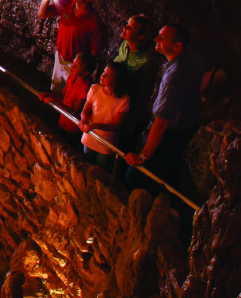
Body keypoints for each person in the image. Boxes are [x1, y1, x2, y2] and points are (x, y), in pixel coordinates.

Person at [125, 24, 212, 192]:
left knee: (135, 176)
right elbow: (209, 69)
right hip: (187, 124)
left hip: (170, 132)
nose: (156, 39)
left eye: (162, 38)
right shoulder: (192, 55)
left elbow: (161, 124)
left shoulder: (174, 77)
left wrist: (142, 157)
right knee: (168, 167)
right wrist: (195, 92)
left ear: (177, 46)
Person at [38, 0, 106, 91]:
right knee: (55, 89)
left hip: (74, 66)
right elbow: (42, 14)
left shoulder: (94, 22)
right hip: (60, 57)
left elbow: (94, 54)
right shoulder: (67, 2)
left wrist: (82, 73)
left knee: (69, 96)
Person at [113, 15, 160, 148]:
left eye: (130, 27)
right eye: (127, 24)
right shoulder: (124, 46)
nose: (125, 28)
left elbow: (144, 94)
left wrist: (132, 121)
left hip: (131, 112)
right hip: (115, 106)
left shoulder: (147, 61)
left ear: (141, 37)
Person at [79, 62, 130, 169]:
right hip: (90, 136)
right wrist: (84, 119)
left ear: (117, 80)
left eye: (107, 75)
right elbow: (86, 110)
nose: (102, 75)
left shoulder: (123, 100)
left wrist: (95, 126)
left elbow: (116, 125)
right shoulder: (95, 89)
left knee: (100, 171)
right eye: (103, 72)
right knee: (85, 167)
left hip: (106, 143)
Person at [47, 52, 96, 139]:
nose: (72, 66)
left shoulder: (85, 88)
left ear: (85, 73)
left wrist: (57, 103)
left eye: (76, 66)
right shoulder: (72, 77)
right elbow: (62, 94)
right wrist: (48, 95)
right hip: (62, 119)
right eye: (73, 63)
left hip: (72, 127)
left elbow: (75, 111)